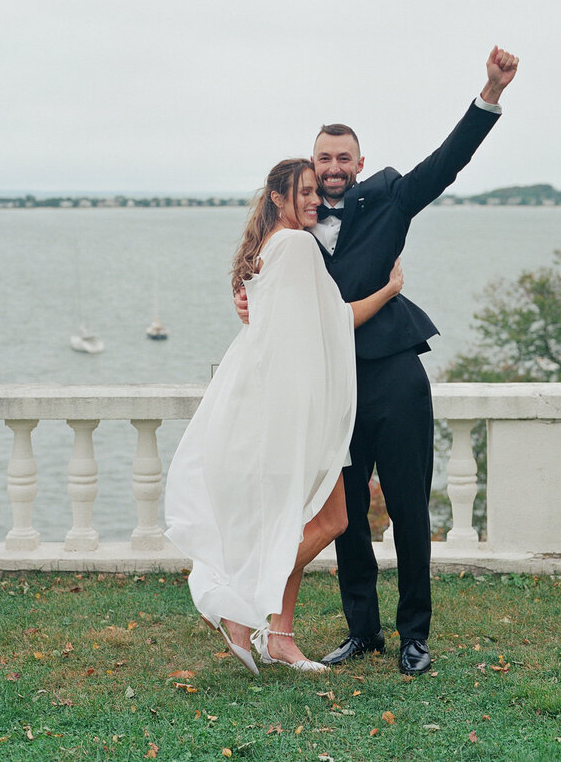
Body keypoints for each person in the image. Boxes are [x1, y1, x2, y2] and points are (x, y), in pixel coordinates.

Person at [235, 44, 519, 675]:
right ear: (311, 165)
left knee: (410, 507)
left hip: (393, 376)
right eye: (323, 159)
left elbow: (445, 166)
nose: (332, 169)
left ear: (358, 163)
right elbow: (260, 266)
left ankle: (414, 635)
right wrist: (244, 300)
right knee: (344, 518)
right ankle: (362, 631)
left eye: (343, 158)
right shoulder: (295, 217)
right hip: (329, 387)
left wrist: (489, 94)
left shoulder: (389, 196)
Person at [165, 158, 404, 675]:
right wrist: (389, 291)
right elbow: (335, 321)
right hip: (297, 409)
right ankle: (239, 610)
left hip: (276, 402)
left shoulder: (270, 246)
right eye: (305, 192)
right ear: (277, 197)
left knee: (300, 520)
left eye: (317, 192)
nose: (316, 200)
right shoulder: (296, 246)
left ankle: (280, 636)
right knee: (336, 518)